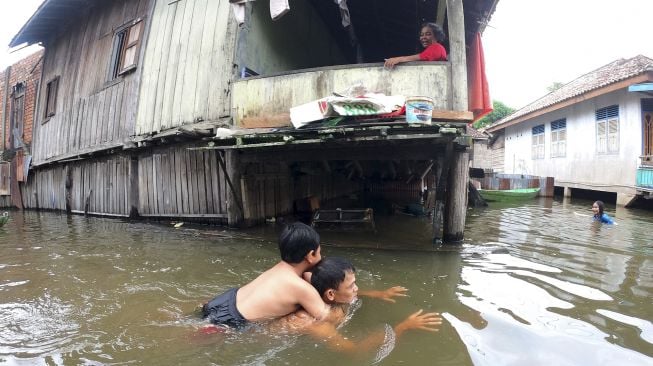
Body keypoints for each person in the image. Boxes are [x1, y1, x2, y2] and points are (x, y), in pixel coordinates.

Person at [271, 257, 442, 354]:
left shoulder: (322, 293)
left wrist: (378, 294)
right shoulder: (317, 324)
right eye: (352, 285)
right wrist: (404, 327)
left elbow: (346, 296)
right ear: (331, 294)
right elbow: (354, 351)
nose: (356, 288)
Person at [202, 222, 329, 328]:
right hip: (232, 320)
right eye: (319, 252)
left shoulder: (278, 269)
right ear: (311, 255)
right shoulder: (302, 288)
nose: (321, 256)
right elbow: (327, 317)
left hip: (223, 301)